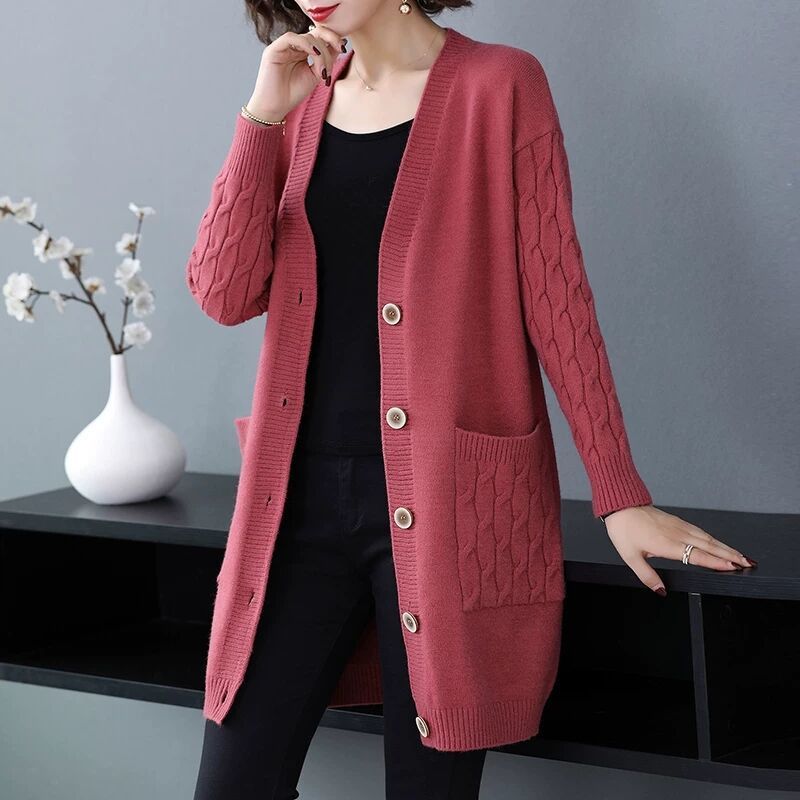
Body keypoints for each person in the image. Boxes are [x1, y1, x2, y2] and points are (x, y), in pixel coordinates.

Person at [188, 2, 758, 798]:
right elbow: (223, 293)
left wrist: (619, 493)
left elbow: (557, 299)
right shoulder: (297, 98)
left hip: (448, 506)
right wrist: (260, 118)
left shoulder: (501, 84)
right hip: (294, 508)